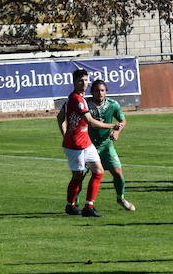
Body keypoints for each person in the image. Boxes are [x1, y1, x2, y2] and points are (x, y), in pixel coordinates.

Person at [58, 68, 122, 217]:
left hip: (85, 142)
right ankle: (70, 205)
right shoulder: (77, 99)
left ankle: (89, 206)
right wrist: (112, 125)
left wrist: (65, 133)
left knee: (98, 172)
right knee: (78, 176)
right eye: (80, 80)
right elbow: (91, 122)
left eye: (86, 80)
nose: (84, 83)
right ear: (74, 82)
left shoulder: (75, 98)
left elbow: (60, 117)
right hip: (76, 145)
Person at [87, 78, 135, 211]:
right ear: (92, 92)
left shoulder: (113, 105)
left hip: (106, 144)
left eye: (102, 90)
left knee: (118, 172)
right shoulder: (86, 105)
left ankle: (121, 198)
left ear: (106, 92)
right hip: (88, 145)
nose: (100, 93)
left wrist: (117, 132)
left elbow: (122, 120)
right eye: (97, 91)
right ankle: (76, 204)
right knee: (81, 174)